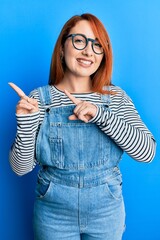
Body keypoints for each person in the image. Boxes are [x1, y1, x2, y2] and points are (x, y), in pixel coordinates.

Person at [9, 13, 156, 240]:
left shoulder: (114, 98)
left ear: (103, 55)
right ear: (61, 47)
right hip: (53, 212)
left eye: (98, 45)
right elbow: (20, 168)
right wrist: (26, 124)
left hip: (107, 211)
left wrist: (100, 115)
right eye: (80, 41)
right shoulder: (39, 99)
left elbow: (147, 152)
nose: (89, 51)